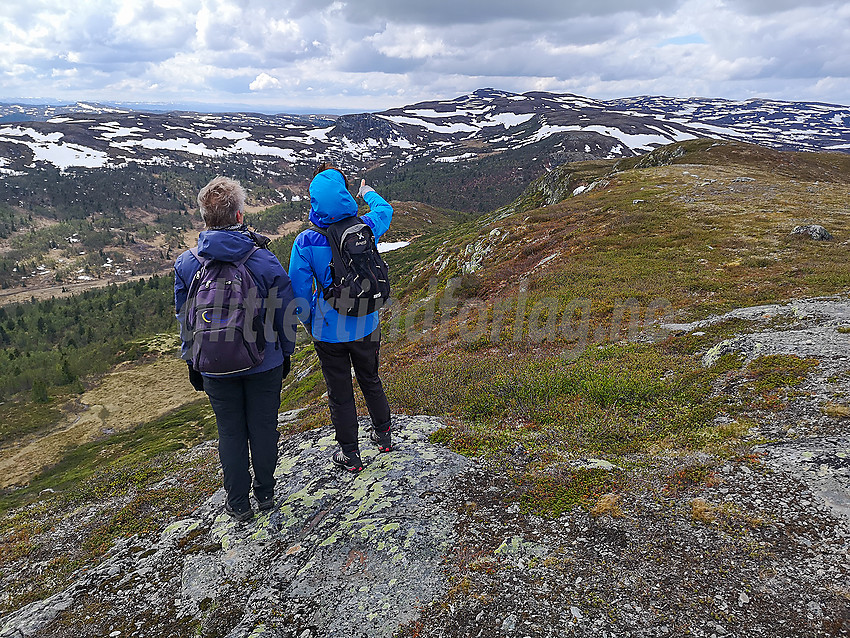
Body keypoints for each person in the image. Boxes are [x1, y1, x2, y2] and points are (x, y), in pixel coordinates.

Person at [174, 176, 297, 522]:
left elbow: (186, 320)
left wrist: (192, 362)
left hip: (213, 364)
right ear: (240, 216)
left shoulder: (187, 264)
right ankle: (266, 494)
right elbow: (286, 313)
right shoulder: (264, 261)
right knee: (263, 427)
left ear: (204, 218)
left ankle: (238, 504)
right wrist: (285, 353)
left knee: (229, 432)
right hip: (265, 361)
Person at [288, 163, 394, 472]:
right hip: (368, 322)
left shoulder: (306, 242)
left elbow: (299, 293)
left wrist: (310, 324)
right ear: (344, 195)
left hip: (328, 331)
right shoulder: (366, 227)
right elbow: (384, 210)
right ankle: (384, 434)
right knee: (371, 379)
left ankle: (350, 454)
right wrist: (368, 192)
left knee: (340, 393)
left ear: (315, 202)